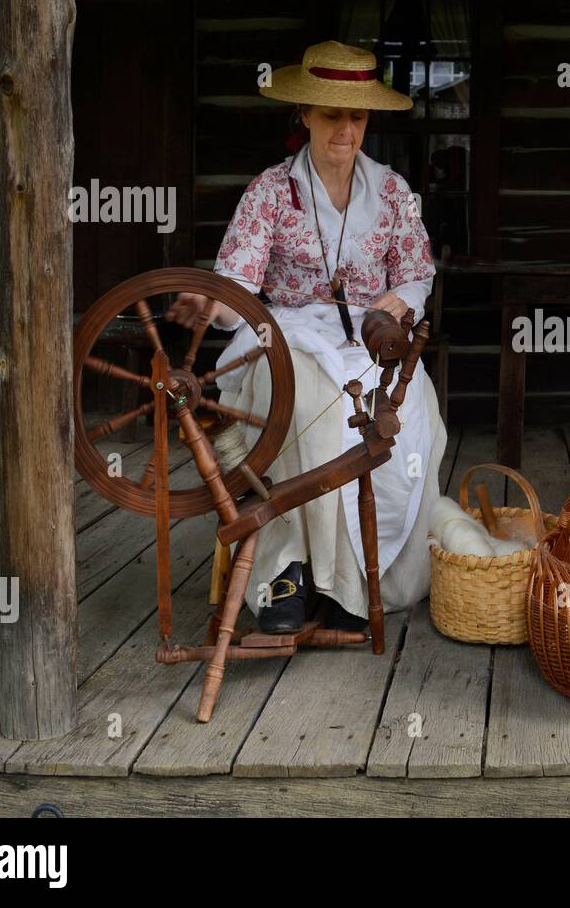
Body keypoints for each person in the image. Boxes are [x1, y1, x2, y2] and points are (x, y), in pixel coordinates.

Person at [165, 40, 445, 635]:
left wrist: (402, 300)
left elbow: (417, 272)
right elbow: (237, 282)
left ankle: (358, 582)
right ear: (305, 116)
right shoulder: (269, 193)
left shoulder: (392, 191)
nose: (345, 129)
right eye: (331, 114)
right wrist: (210, 301)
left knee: (415, 409)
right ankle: (287, 570)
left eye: (356, 116)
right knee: (306, 395)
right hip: (283, 332)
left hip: (370, 339)